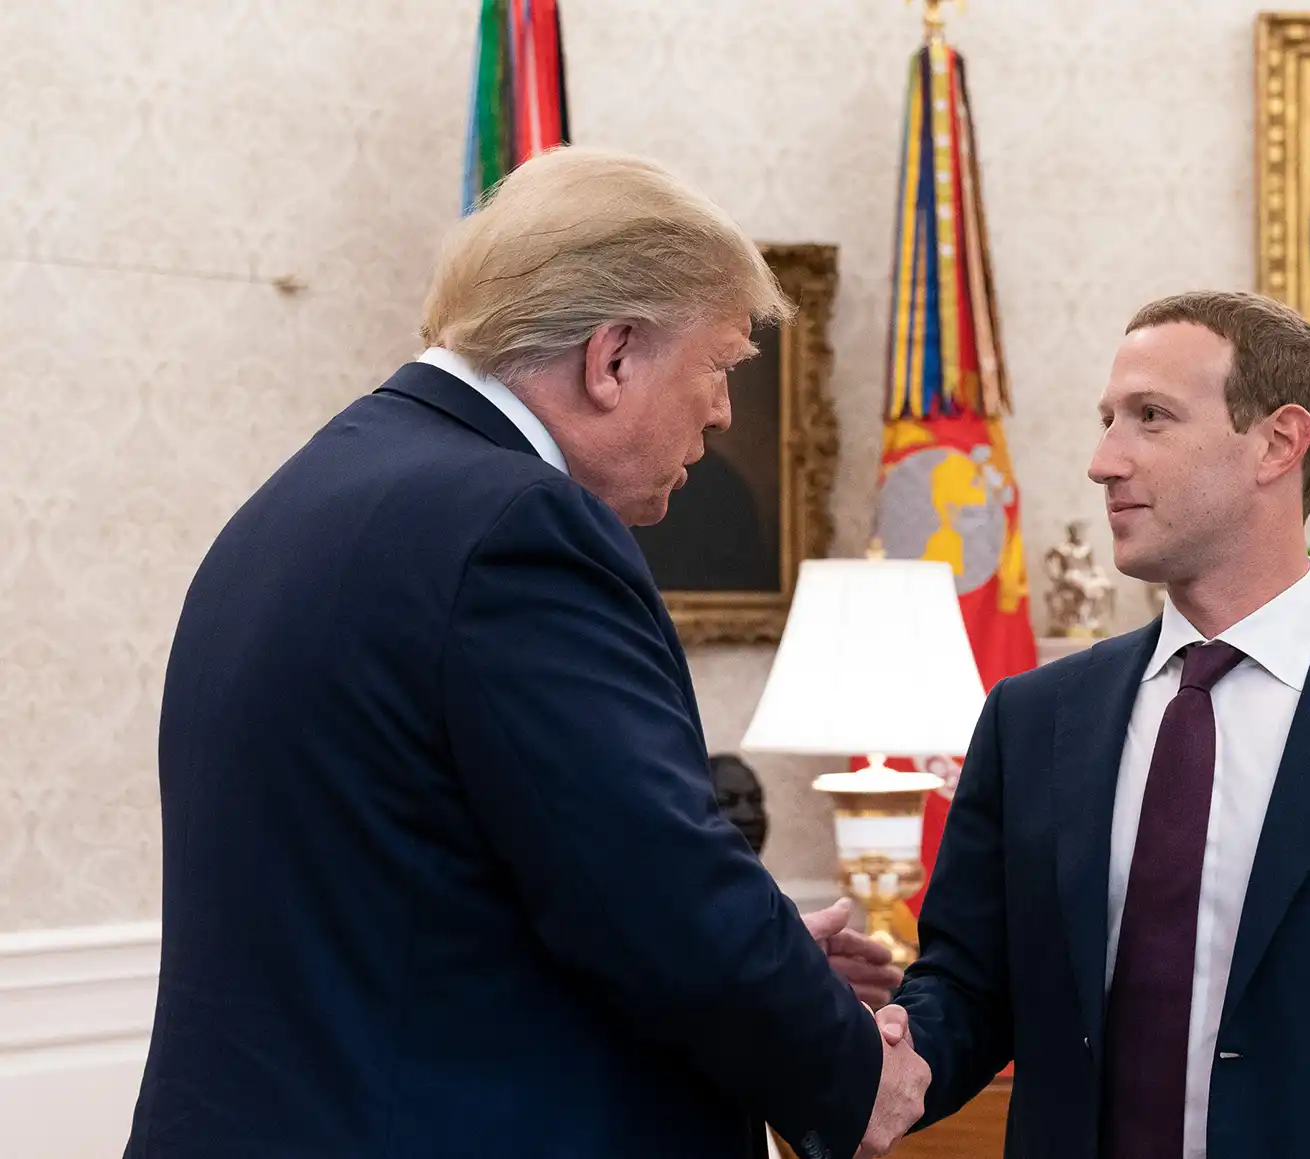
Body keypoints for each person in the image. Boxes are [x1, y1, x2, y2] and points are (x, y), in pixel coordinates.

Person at [126, 147, 923, 1159]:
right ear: (614, 356)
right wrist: (850, 1070)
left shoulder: (309, 493)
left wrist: (768, 967)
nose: (724, 413)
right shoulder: (516, 527)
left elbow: (449, 887)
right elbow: (661, 897)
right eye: (720, 365)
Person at [883, 290, 1310, 1157]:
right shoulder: (1034, 718)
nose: (1102, 460)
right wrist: (868, 1059)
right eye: (1107, 419)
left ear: (1278, 443)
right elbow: (968, 989)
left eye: (1149, 417)